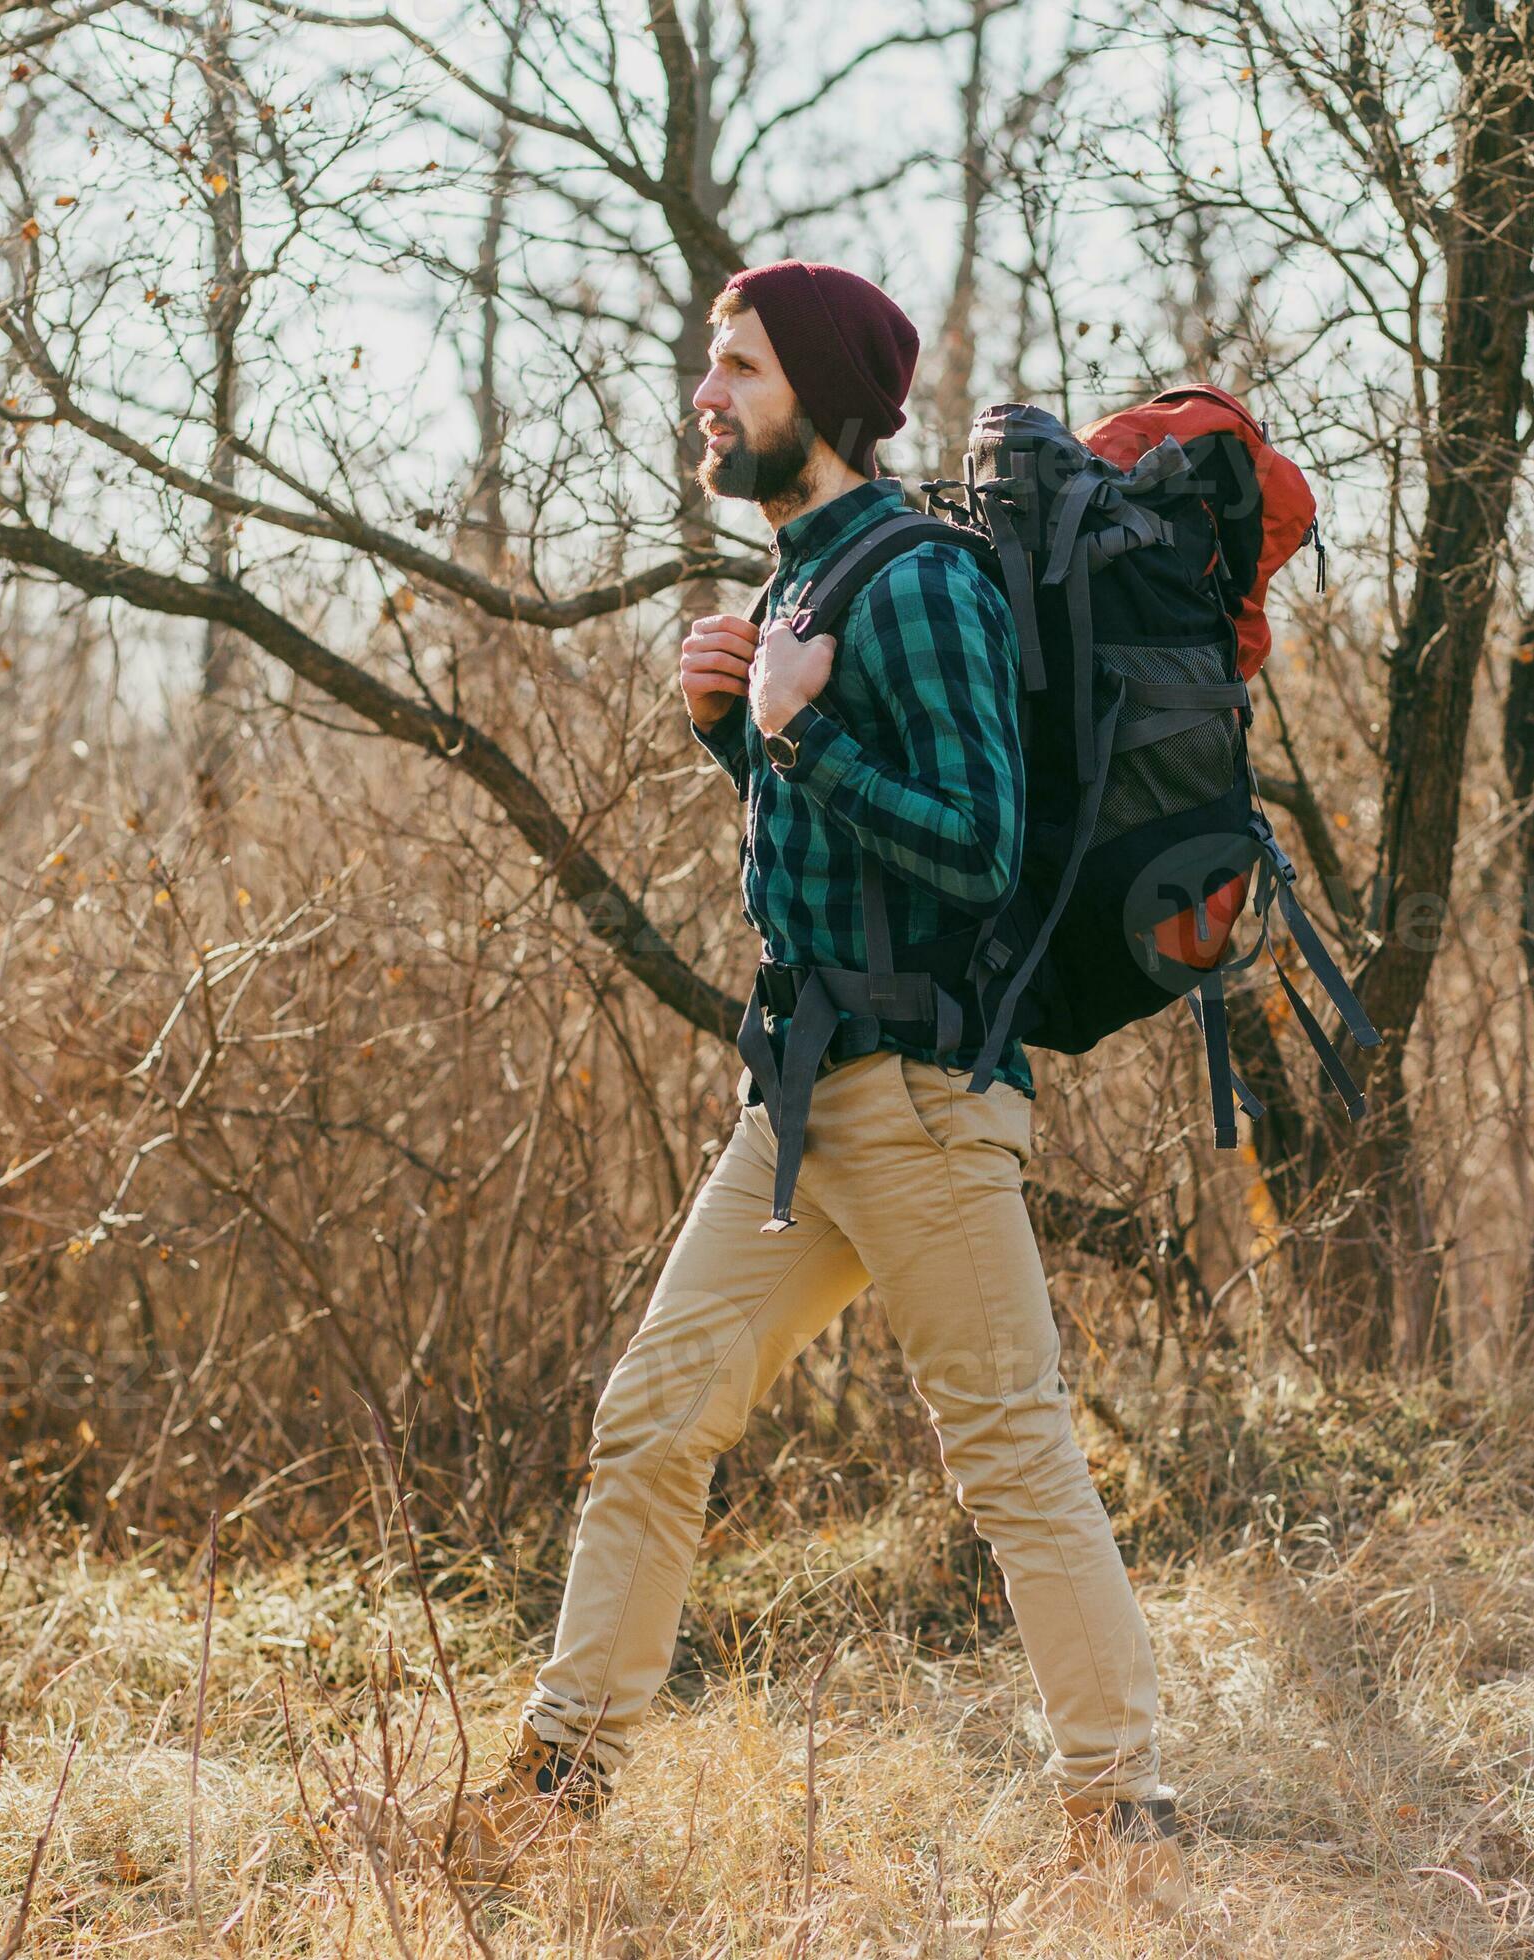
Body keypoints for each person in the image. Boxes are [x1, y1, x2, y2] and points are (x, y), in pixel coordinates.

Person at [388, 261, 1184, 1911]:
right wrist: (738, 741)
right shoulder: (808, 577)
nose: (706, 392)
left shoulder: (919, 582)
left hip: (924, 1099)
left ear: (817, 402)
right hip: (807, 1096)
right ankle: (563, 1782)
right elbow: (832, 853)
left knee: (1012, 1453)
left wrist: (798, 738)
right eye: (707, 363)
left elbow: (973, 846)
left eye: (735, 367)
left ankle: (1128, 1811)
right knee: (653, 1421)